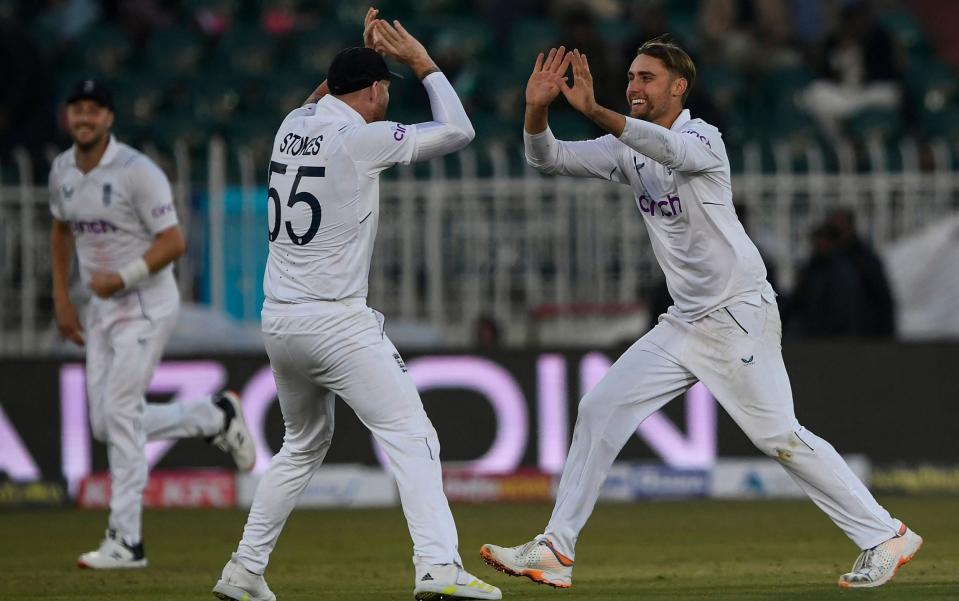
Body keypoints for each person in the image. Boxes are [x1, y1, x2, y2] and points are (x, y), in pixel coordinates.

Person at [479, 38, 921, 590]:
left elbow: (675, 155)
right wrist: (536, 109)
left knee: (779, 435)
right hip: (686, 320)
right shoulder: (626, 148)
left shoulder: (701, 135)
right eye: (632, 77)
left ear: (678, 87)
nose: (634, 86)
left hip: (738, 312)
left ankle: (885, 533)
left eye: (647, 78)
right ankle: (554, 549)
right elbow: (547, 158)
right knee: (600, 407)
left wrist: (596, 113)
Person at [211, 12, 500, 601]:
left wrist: (349, 61)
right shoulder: (363, 138)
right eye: (385, 87)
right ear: (374, 90)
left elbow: (322, 97)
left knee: (301, 446)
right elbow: (459, 131)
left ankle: (243, 571)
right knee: (414, 435)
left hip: (280, 321)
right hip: (335, 322)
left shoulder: (292, 124)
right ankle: (440, 568)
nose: (388, 97)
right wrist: (422, 63)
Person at [49, 79, 256, 570]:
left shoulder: (136, 172)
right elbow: (61, 229)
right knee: (106, 422)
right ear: (67, 117)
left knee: (119, 413)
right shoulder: (61, 171)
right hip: (101, 308)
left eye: (94, 110)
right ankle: (214, 417)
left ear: (109, 119)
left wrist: (121, 276)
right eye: (77, 109)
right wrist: (62, 296)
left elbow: (173, 242)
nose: (84, 118)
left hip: (144, 302)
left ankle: (126, 542)